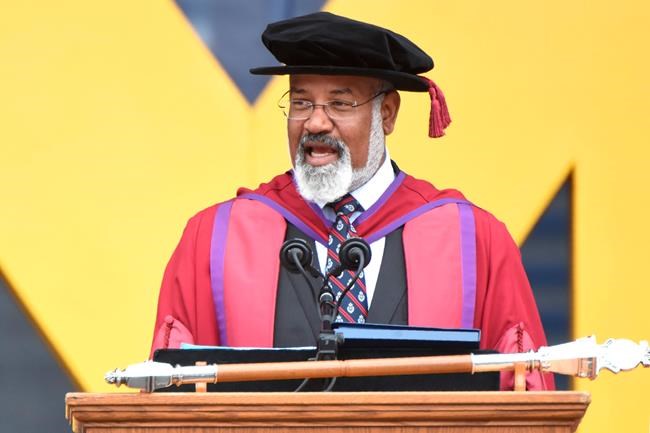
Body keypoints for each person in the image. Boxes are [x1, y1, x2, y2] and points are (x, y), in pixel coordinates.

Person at [150, 12, 554, 390]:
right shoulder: (215, 238)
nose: (315, 122)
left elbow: (524, 389)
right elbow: (172, 393)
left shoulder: (473, 240)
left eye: (340, 104)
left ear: (387, 114)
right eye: (301, 102)